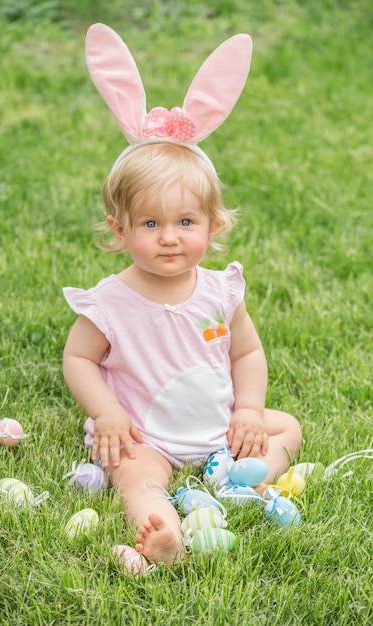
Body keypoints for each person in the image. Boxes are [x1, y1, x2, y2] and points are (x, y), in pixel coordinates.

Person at [62, 24, 302, 568]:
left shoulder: (220, 290)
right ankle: (163, 534)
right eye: (150, 222)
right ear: (119, 229)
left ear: (212, 225)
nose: (169, 236)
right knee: (136, 475)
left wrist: (248, 410)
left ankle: (238, 481)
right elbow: (78, 358)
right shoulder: (110, 302)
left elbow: (245, 352)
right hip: (147, 434)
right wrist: (107, 415)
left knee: (285, 427)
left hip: (219, 430)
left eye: (185, 221)